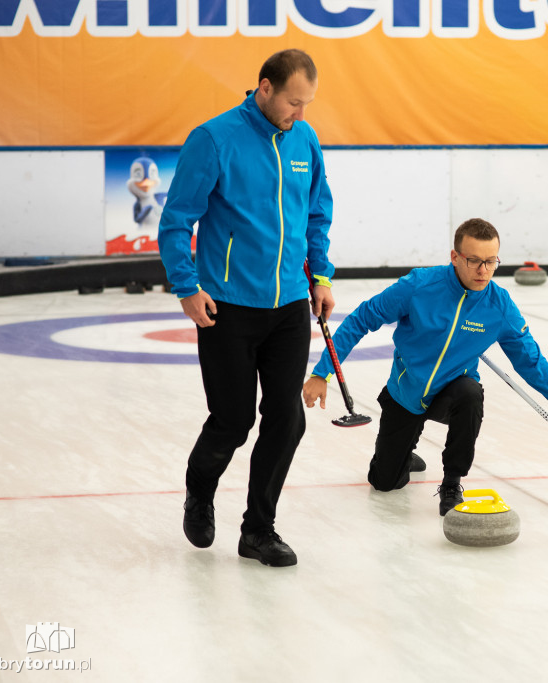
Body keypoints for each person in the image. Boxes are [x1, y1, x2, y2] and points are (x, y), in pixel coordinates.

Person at [158, 49, 334, 568]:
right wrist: (187, 286)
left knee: (287, 419)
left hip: (288, 307)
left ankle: (258, 530)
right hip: (226, 308)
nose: (298, 114)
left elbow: (317, 211)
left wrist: (320, 276)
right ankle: (200, 492)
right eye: (292, 102)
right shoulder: (213, 139)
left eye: (306, 104)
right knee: (232, 421)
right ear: (264, 88)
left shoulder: (304, 139)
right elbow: (175, 221)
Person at [301, 219, 548, 516]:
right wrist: (322, 373)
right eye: (474, 260)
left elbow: (531, 362)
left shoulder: (499, 306)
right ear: (455, 257)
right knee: (384, 482)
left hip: (452, 392)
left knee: (470, 393)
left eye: (491, 262)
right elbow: (361, 319)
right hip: (407, 392)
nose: (483, 271)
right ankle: (404, 453)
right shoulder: (419, 286)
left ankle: (452, 481)